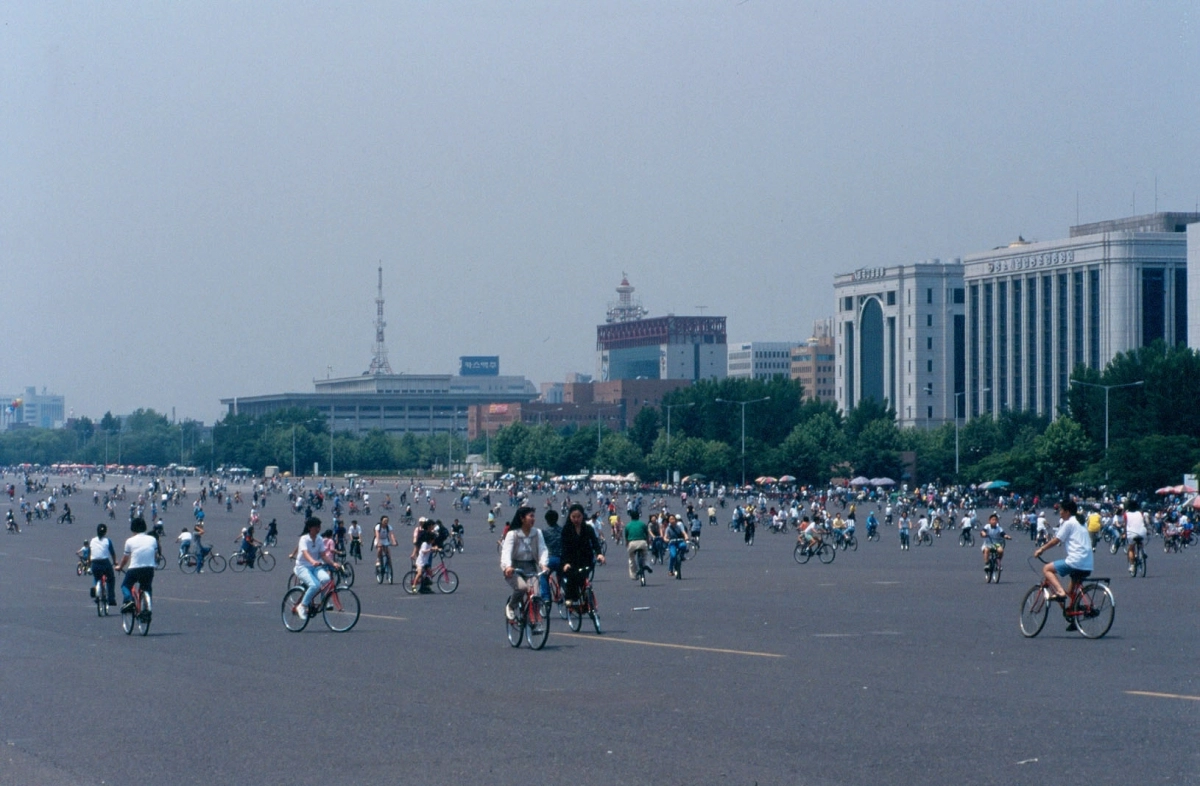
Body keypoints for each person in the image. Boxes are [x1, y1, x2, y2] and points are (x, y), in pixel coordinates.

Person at [1033, 498, 1094, 630]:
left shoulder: (1068, 523)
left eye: (1061, 510)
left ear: (1067, 511)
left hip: (1075, 561)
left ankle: (1059, 592)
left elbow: (1056, 540)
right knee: (1071, 592)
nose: (1059, 512)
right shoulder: (1080, 522)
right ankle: (1074, 617)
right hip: (1088, 562)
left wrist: (1041, 549)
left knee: (1047, 569)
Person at [499, 507, 548, 621]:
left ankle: (535, 620)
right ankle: (511, 606)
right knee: (522, 588)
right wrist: (507, 566)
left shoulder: (537, 533)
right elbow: (506, 551)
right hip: (515, 568)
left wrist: (543, 564)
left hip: (530, 566)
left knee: (535, 594)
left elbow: (543, 549)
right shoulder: (513, 534)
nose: (533, 519)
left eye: (533, 516)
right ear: (522, 518)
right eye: (530, 516)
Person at [560, 503, 606, 606]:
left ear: (582, 516)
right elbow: (564, 548)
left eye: (579, 516)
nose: (576, 519)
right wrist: (565, 563)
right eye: (573, 517)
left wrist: (599, 554)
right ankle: (569, 596)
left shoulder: (588, 528)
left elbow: (595, 543)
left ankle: (586, 598)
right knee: (573, 577)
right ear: (570, 517)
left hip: (586, 558)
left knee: (583, 577)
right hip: (571, 560)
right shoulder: (566, 530)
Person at [293, 517, 331, 620]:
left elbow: (323, 554)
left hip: (315, 567)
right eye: (316, 527)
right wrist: (313, 561)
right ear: (310, 528)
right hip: (302, 567)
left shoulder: (319, 539)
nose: (318, 529)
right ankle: (302, 606)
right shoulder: (304, 539)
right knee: (315, 585)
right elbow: (305, 553)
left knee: (326, 579)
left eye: (319, 527)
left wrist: (333, 563)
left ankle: (324, 602)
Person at [117, 517, 156, 613]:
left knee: (125, 586)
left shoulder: (129, 541)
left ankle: (129, 600)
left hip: (134, 569)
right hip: (149, 568)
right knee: (147, 587)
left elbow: (125, 558)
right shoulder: (152, 539)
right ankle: (147, 610)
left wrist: (120, 567)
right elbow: (155, 555)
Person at [539, 510, 564, 606]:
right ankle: (562, 589)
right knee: (562, 574)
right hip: (562, 558)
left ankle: (546, 598)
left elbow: (541, 546)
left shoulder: (544, 532)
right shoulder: (562, 530)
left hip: (550, 558)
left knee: (544, 576)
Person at [89, 523, 118, 607]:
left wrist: (89, 563)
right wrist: (115, 562)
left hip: (95, 563)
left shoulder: (92, 540)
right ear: (105, 532)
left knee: (96, 577)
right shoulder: (108, 541)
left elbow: (90, 553)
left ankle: (96, 591)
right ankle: (111, 598)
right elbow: (112, 553)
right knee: (111, 579)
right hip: (105, 563)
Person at [623, 509, 651, 580]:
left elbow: (626, 537)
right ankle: (646, 564)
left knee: (631, 558)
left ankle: (633, 575)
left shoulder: (628, 525)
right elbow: (647, 535)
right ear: (638, 516)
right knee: (645, 554)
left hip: (632, 543)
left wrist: (627, 545)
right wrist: (648, 542)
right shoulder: (642, 524)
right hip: (642, 542)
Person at [1122, 499, 1148, 568]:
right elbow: (1144, 523)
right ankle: (1144, 552)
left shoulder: (1126, 514)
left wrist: (1124, 533)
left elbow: (1125, 525)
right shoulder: (1140, 513)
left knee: (1131, 548)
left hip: (1131, 533)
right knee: (1141, 542)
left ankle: (1132, 565)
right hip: (1142, 532)